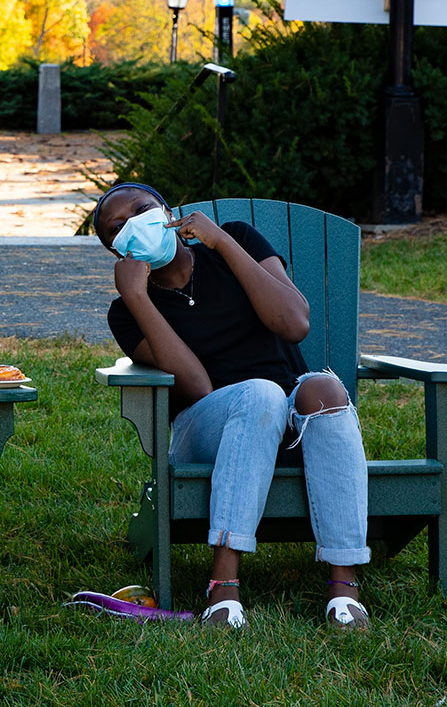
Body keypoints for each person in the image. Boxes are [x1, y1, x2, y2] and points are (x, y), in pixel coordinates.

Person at [92, 182, 370, 631]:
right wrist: (138, 297)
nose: (133, 225)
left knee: (324, 389)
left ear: (168, 211)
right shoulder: (125, 312)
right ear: (116, 250)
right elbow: (197, 387)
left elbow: (295, 323)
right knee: (259, 392)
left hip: (288, 422)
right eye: (117, 227)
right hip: (205, 431)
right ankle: (223, 588)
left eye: (142, 210)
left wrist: (222, 242)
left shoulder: (236, 240)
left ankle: (344, 586)